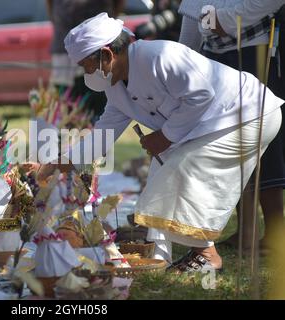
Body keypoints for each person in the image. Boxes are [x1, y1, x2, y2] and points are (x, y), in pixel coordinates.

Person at [42, 12, 284, 272]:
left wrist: (165, 136)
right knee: (162, 170)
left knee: (182, 171)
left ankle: (207, 256)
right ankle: (158, 254)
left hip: (249, 115)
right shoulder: (115, 85)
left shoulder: (161, 55)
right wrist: (58, 165)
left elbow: (201, 95)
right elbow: (104, 132)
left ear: (106, 54)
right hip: (215, 124)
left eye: (86, 64)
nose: (86, 72)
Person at [179, 0, 285, 253]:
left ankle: (275, 231)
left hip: (258, 51)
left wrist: (224, 19)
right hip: (215, 56)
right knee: (230, 142)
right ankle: (246, 231)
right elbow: (194, 14)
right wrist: (184, 56)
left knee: (264, 145)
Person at [46, 0, 125, 120]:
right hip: (63, 47)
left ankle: (94, 125)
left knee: (98, 98)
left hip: (97, 46)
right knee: (66, 100)